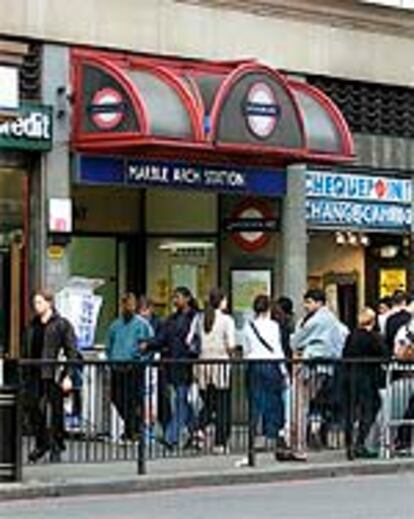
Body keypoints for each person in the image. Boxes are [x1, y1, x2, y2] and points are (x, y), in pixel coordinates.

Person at [25, 290, 79, 463]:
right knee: (32, 406)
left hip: (53, 373)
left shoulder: (62, 324)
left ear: (49, 303)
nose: (36, 306)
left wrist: (68, 375)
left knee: (56, 411)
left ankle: (56, 445)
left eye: (39, 302)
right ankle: (43, 442)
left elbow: (72, 351)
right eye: (35, 302)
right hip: (34, 372)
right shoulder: (33, 324)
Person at [291, 289, 348, 452]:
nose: (306, 305)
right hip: (327, 365)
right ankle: (313, 432)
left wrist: (297, 345)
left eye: (309, 302)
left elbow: (296, 340)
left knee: (303, 401)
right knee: (318, 402)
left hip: (312, 363)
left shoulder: (316, 321)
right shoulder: (333, 321)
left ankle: (300, 438)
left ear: (319, 303)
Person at [243, 294, 290, 461]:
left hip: (254, 365)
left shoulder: (249, 327)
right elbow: (277, 349)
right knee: (274, 402)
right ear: (269, 308)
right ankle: (273, 435)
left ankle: (254, 437)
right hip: (271, 365)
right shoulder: (273, 326)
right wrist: (284, 370)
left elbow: (247, 349)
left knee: (255, 401)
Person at [155, 287, 201, 450]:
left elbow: (196, 342)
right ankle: (196, 432)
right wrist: (148, 343)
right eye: (174, 297)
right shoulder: (171, 319)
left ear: (187, 299)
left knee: (180, 400)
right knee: (183, 401)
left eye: (178, 297)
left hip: (188, 364)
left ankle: (171, 436)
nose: (175, 300)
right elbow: (162, 338)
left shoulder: (195, 319)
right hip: (174, 364)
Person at [106, 293, 154, 441]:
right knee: (116, 397)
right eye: (126, 304)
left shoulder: (142, 324)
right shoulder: (115, 325)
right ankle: (131, 426)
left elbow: (150, 344)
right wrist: (111, 360)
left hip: (134, 366)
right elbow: (109, 345)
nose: (128, 307)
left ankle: (132, 429)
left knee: (133, 400)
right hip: (117, 365)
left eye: (131, 305)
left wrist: (142, 360)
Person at [194, 289, 236, 453]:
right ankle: (220, 442)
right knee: (223, 404)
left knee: (210, 401)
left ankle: (199, 426)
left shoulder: (201, 319)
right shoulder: (227, 320)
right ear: (221, 301)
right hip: (221, 363)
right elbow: (231, 344)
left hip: (204, 362)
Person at [342, 307, 386, 460]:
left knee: (351, 411)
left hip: (349, 377)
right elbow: (384, 355)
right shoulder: (373, 337)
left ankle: (350, 444)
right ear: (373, 322)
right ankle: (360, 443)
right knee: (369, 409)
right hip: (367, 378)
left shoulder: (351, 336)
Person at [385, 291, 411, 358]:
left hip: (395, 354)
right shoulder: (410, 317)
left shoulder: (390, 319)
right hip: (410, 354)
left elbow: (388, 338)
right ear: (404, 302)